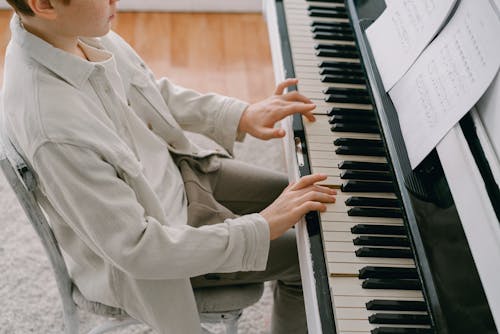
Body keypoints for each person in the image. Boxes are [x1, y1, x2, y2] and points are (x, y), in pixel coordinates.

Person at [2, 0, 337, 333]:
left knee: (313, 200)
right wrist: (262, 226)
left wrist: (240, 115)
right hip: (164, 246)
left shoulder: (72, 31)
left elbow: (147, 90)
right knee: (308, 258)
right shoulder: (54, 126)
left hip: (181, 175)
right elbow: (138, 249)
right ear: (44, 4)